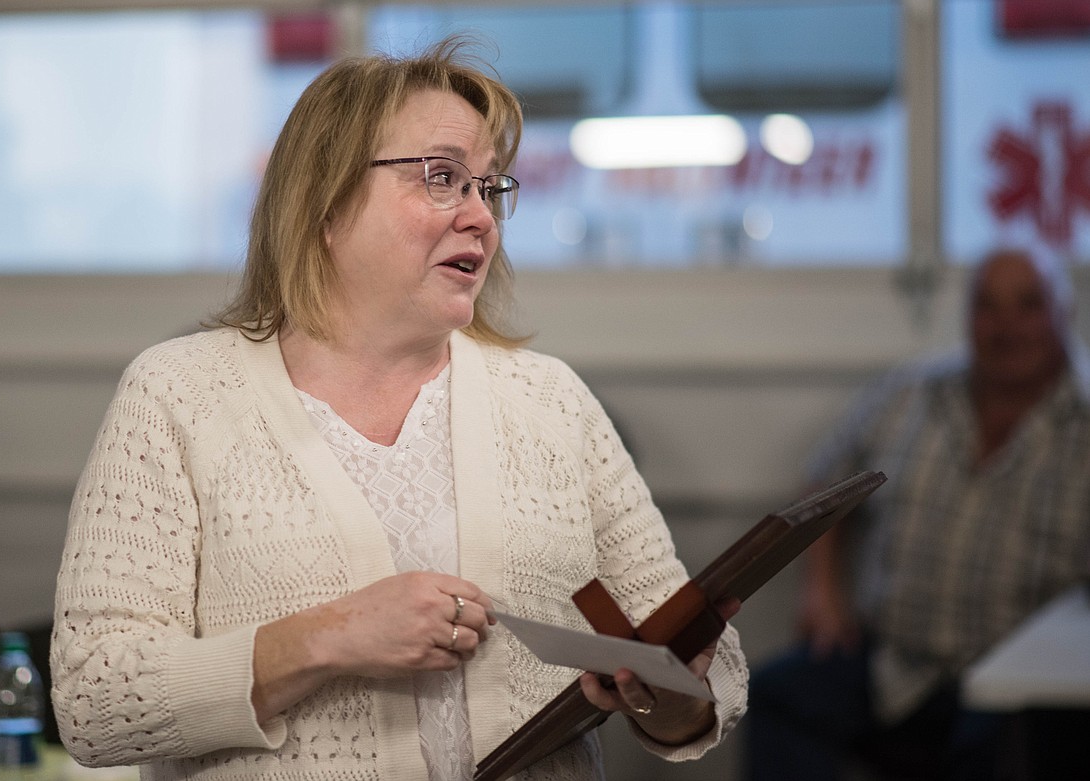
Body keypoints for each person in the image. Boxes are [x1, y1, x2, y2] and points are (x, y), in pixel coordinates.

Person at [49, 37, 748, 781]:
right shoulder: (176, 395)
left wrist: (669, 698)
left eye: (489, 187)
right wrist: (330, 636)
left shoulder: (553, 402)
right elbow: (95, 699)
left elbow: (703, 680)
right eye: (443, 178)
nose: (481, 216)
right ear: (325, 200)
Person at [744, 246, 1090, 781]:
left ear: (1064, 312)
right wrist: (823, 591)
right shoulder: (911, 393)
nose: (1007, 326)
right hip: (890, 663)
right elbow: (823, 485)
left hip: (1016, 691)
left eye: (1028, 305)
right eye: (987, 306)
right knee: (772, 697)